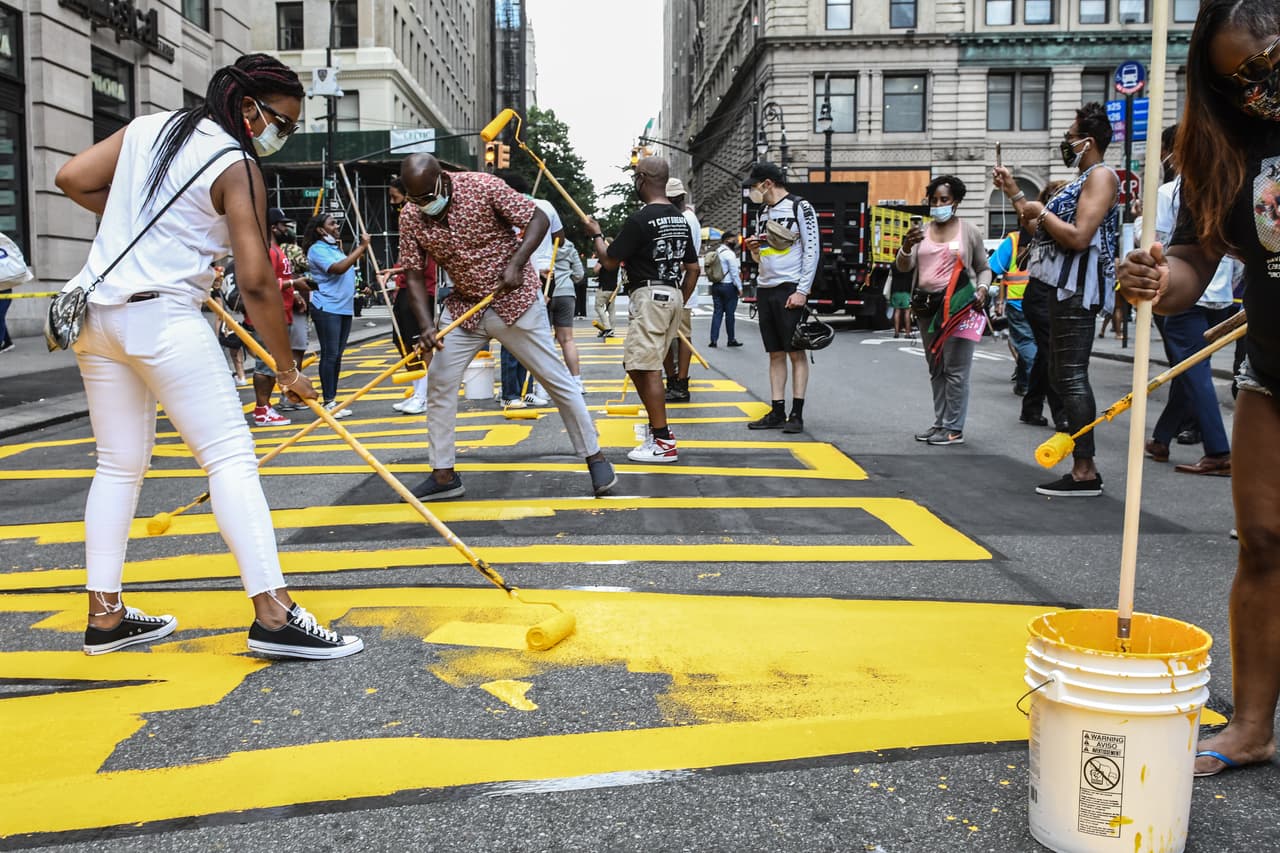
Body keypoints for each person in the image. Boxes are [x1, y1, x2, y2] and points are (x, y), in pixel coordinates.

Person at [52, 53, 361, 659]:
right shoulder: (236, 163)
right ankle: (274, 613)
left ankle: (106, 616)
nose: (284, 135)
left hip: (95, 315)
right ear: (250, 108)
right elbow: (257, 282)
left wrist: (151, 230)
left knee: (117, 466)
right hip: (162, 319)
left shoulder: (149, 129)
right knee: (230, 460)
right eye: (284, 123)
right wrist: (288, 369)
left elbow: (72, 178)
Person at [1120, 0, 1280, 776]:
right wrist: (1157, 277)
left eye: (1263, 63)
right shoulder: (1225, 146)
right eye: (1233, 82)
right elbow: (1194, 261)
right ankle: (1251, 727)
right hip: (1274, 373)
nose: (1255, 89)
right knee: (1264, 542)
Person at [396, 154, 616, 497]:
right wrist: (425, 325)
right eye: (416, 198)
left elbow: (538, 218)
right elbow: (411, 273)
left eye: (428, 196)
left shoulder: (483, 187)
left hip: (515, 302)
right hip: (464, 307)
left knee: (555, 380)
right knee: (438, 384)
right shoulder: (411, 214)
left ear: (443, 179)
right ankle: (443, 475)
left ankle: (595, 458)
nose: (424, 205)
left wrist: (516, 263)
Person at [994, 102, 1121, 496]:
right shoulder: (1078, 180)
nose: (1066, 144)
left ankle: (1085, 469)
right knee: (1059, 373)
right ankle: (1080, 461)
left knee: (1071, 376)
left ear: (1088, 141)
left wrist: (1041, 214)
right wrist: (1015, 192)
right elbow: (1038, 225)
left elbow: (1080, 235)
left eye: (1070, 138)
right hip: (1057, 286)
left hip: (1076, 289)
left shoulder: (1100, 177)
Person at [583, 156, 699, 462]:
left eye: (636, 176)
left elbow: (608, 261)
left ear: (644, 179)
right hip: (670, 294)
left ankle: (662, 440)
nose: (634, 182)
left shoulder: (640, 220)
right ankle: (658, 430)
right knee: (638, 364)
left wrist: (596, 233)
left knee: (644, 367)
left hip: (650, 295)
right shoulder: (678, 217)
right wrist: (679, 299)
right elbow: (693, 268)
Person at [1143, 150, 1239, 475]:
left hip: (1189, 296)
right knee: (1188, 372)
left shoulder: (1177, 189)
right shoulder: (1231, 174)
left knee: (1194, 374)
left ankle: (1218, 450)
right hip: (1220, 295)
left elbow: (1156, 242)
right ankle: (1161, 437)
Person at [896, 175, 993, 446]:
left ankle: (953, 428)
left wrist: (983, 289)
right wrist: (905, 246)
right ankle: (940, 423)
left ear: (956, 202)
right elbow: (904, 267)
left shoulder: (969, 231)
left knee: (956, 370)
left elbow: (984, 268)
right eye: (934, 200)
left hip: (960, 307)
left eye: (944, 200)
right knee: (936, 367)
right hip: (928, 307)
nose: (938, 204)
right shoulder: (922, 231)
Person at [742, 161, 819, 434]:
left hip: (789, 287)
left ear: (767, 184)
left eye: (754, 186)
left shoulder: (800, 207)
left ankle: (796, 413)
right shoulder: (763, 212)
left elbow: (812, 249)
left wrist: (802, 290)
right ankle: (777, 410)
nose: (752, 191)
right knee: (775, 353)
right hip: (766, 287)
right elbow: (764, 255)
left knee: (796, 352)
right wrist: (754, 251)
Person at [497, 170, 561, 406]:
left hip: (531, 279)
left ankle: (523, 390)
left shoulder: (533, 210)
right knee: (515, 338)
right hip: (512, 281)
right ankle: (512, 393)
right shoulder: (501, 213)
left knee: (527, 337)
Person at [303, 212, 370, 418]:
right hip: (327, 307)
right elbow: (338, 269)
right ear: (321, 230)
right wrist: (361, 248)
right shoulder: (317, 250)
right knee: (330, 354)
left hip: (343, 307)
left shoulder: (335, 247)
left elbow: (348, 269)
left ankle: (332, 399)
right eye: (332, 224)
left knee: (337, 355)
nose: (337, 226)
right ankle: (328, 401)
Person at [268, 208, 312, 413]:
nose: (286, 228)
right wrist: (294, 285)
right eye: (282, 224)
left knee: (295, 352)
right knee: (277, 359)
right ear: (273, 227)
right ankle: (266, 406)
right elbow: (266, 282)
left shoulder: (279, 249)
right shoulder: (270, 250)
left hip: (288, 308)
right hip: (278, 311)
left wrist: (293, 292)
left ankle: (290, 394)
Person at [663, 178, 700, 402]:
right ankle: (676, 380)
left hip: (681, 285)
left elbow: (685, 259)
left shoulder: (682, 219)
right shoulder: (689, 217)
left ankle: (679, 382)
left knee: (679, 336)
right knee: (676, 336)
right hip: (683, 284)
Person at [989, 226, 1036, 396]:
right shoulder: (1058, 232)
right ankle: (1024, 383)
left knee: (1026, 344)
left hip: (1021, 303)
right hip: (1034, 304)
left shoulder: (1014, 240)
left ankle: (1033, 384)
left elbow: (991, 270)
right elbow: (996, 273)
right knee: (1029, 344)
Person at [550, 240, 587, 392]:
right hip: (566, 292)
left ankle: (544, 385)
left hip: (546, 292)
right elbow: (579, 274)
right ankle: (576, 381)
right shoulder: (570, 246)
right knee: (567, 339)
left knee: (544, 340)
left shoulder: (540, 243)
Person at [708, 230, 743, 347]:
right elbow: (734, 272)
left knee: (717, 313)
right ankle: (731, 339)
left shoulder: (717, 252)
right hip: (728, 286)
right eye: (733, 240)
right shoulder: (729, 254)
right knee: (730, 314)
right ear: (727, 240)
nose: (735, 242)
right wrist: (739, 287)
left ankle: (713, 340)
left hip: (716, 286)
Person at [593, 239, 620, 338]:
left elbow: (596, 269)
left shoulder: (604, 257)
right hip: (613, 287)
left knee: (598, 307)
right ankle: (611, 330)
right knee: (611, 309)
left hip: (604, 287)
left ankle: (607, 328)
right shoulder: (616, 258)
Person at [889, 265, 913, 339]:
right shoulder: (909, 265)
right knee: (907, 312)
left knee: (897, 311)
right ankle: (907, 333)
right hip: (906, 292)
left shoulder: (894, 264)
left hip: (895, 291)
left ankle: (896, 332)